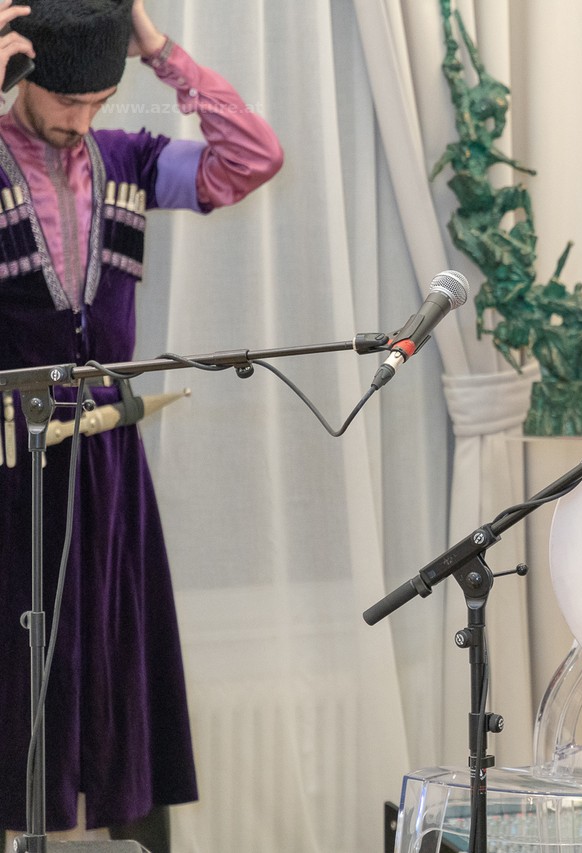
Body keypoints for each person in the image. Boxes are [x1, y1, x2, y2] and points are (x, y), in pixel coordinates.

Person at [0, 0, 283, 849]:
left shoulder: (126, 159)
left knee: (114, 650)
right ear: (24, 76)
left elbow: (253, 157)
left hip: (106, 461)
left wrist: (158, 50)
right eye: (67, 101)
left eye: (98, 101)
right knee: (13, 660)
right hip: (9, 457)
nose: (81, 120)